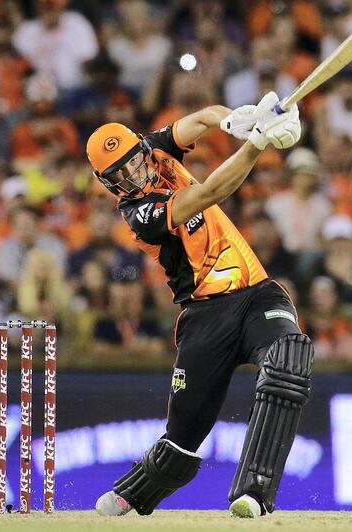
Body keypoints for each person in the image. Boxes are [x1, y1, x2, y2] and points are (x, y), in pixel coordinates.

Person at [86, 91, 311, 519]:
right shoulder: (138, 213)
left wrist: (235, 121)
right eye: (119, 174)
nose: (132, 173)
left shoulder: (152, 149)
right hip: (204, 316)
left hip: (258, 293)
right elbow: (209, 193)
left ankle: (255, 492)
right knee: (182, 438)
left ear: (139, 148)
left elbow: (203, 117)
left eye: (133, 161)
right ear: (109, 183)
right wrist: (257, 142)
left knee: (289, 359)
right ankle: (134, 493)